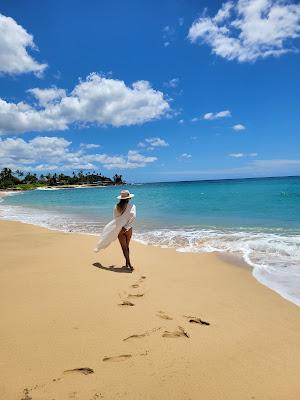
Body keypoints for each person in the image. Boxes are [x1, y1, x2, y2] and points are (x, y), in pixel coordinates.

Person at [94, 190, 136, 271]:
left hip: (119, 229)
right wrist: (126, 227)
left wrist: (121, 227)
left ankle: (129, 264)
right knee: (127, 246)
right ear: (129, 198)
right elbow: (133, 218)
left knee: (124, 247)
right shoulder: (133, 206)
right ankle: (128, 264)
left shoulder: (116, 207)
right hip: (128, 229)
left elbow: (115, 219)